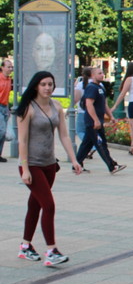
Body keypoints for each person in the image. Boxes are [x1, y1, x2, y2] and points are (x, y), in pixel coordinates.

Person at [15, 71, 82, 266]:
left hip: (49, 164)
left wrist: (74, 160)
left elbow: (64, 135)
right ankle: (51, 251)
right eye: (43, 84)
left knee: (35, 205)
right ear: (36, 86)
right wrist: (25, 169)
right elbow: (22, 141)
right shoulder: (28, 108)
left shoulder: (57, 106)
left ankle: (25, 246)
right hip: (32, 165)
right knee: (49, 205)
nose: (47, 88)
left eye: (50, 84)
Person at [75, 67, 126, 175]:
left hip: (97, 122)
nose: (102, 75)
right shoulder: (91, 87)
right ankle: (112, 166)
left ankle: (77, 164)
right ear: (92, 75)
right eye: (99, 73)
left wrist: (111, 116)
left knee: (86, 144)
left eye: (102, 73)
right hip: (93, 123)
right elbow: (89, 104)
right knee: (100, 144)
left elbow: (104, 104)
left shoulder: (100, 87)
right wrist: (95, 120)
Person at [0, 58, 12, 162]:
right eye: (8, 67)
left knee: (3, 134)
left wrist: (8, 109)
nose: (10, 69)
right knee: (2, 130)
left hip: (4, 107)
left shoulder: (9, 80)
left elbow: (6, 95)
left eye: (11, 67)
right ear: (2, 67)